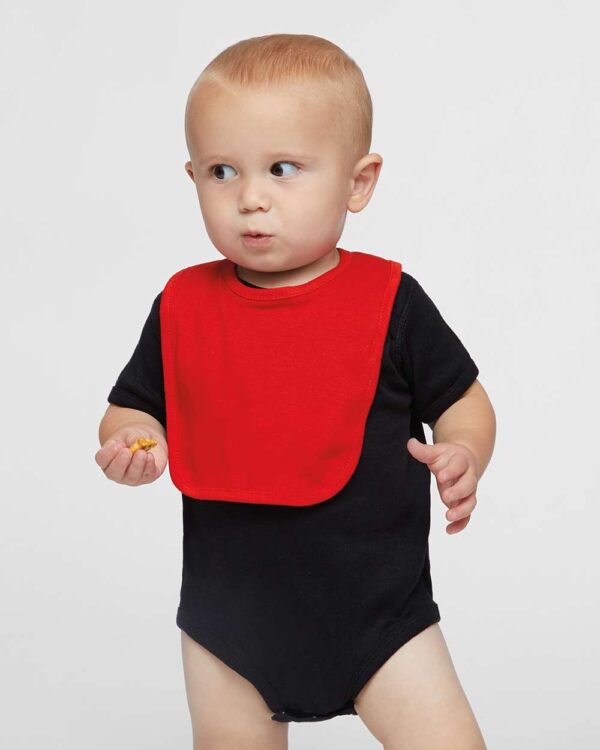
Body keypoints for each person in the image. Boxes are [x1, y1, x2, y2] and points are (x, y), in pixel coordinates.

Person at [95, 33, 495, 750]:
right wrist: (129, 438)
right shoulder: (183, 305)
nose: (251, 198)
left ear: (358, 182)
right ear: (192, 177)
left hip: (382, 621)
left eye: (283, 169)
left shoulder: (391, 302)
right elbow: (134, 404)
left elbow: (462, 399)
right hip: (228, 626)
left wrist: (464, 450)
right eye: (222, 171)